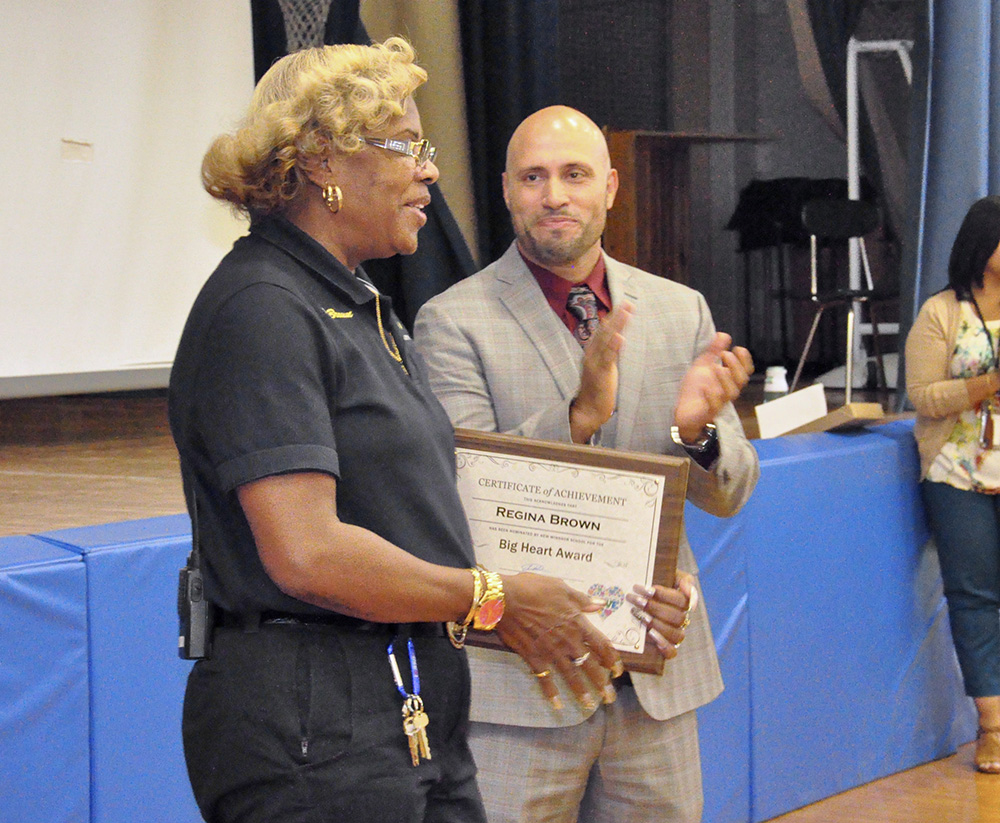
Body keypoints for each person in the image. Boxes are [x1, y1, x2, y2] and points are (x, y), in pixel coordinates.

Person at [168, 44, 625, 823]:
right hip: (312, 722)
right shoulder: (263, 310)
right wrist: (492, 598)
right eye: (406, 145)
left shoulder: (361, 306)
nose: (430, 171)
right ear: (322, 160)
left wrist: (611, 594)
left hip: (406, 697)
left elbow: (425, 511)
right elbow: (307, 553)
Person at [413, 105, 760, 823]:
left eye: (574, 175)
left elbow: (728, 494)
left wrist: (695, 433)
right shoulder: (453, 321)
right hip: (519, 691)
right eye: (534, 177)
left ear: (610, 186)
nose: (555, 195)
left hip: (654, 685)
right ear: (507, 189)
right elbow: (460, 497)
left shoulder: (677, 309)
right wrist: (578, 416)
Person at [906, 195, 1000, 774]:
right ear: (982, 247)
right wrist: (984, 385)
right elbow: (922, 396)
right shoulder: (942, 312)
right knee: (974, 598)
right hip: (956, 474)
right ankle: (992, 727)